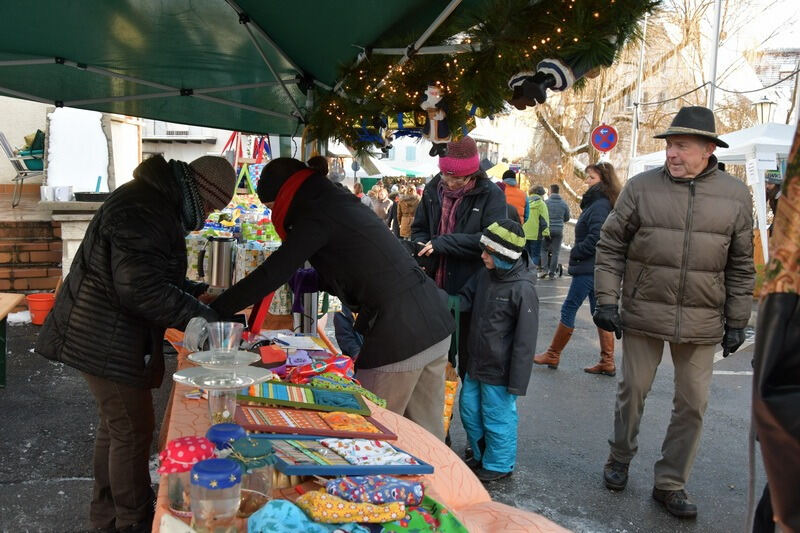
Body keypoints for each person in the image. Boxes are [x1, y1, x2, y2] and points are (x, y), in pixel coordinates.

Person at [35, 155, 236, 533]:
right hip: (104, 336)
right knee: (132, 429)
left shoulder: (152, 200)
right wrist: (202, 317)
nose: (207, 218)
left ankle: (106, 517)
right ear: (200, 191)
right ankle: (132, 521)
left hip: (106, 332)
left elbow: (148, 274)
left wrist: (199, 294)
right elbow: (140, 289)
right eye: (211, 207)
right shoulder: (146, 209)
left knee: (117, 428)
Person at [210, 158, 455, 440]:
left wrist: (213, 310)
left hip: (400, 333)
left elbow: (271, 273)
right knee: (425, 436)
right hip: (433, 323)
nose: (271, 215)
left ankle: (373, 485)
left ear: (283, 195)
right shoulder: (335, 201)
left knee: (364, 430)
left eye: (270, 207)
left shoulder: (315, 212)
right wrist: (319, 279)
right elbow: (354, 261)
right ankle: (431, 483)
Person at [594, 106, 754, 518]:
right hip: (645, 310)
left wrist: (738, 320)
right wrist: (607, 300)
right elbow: (610, 246)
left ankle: (670, 483)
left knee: (693, 404)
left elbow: (740, 263)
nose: (672, 154)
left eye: (682, 146)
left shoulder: (735, 195)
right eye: (669, 146)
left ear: (707, 149)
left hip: (702, 319)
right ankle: (620, 457)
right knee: (632, 393)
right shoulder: (641, 187)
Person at [412, 136, 507, 381]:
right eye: (446, 175)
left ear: (472, 174)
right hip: (433, 288)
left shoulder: (491, 195)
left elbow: (490, 239)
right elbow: (419, 226)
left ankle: (465, 412)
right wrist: (422, 245)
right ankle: (437, 416)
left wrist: (443, 243)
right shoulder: (434, 188)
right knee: (431, 364)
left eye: (457, 178)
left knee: (468, 362)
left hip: (470, 291)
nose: (450, 182)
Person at [457, 220, 538, 482]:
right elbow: (464, 300)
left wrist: (517, 383)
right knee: (469, 409)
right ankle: (481, 454)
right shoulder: (485, 275)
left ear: (503, 255)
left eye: (488, 252)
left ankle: (499, 463)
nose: (482, 256)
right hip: (476, 363)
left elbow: (526, 342)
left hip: (499, 371)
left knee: (497, 417)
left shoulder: (523, 289)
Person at [533, 162, 620, 375]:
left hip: (589, 266)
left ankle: (553, 353)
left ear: (603, 181)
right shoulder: (600, 202)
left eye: (591, 178)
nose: (586, 182)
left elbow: (597, 236)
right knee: (597, 311)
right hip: (594, 266)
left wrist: (577, 251)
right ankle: (607, 361)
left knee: (569, 307)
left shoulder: (599, 204)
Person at [540, 183, 570, 279]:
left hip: (547, 230)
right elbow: (567, 218)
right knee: (556, 252)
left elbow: (541, 216)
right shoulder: (564, 204)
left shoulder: (546, 203)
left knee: (544, 249)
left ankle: (544, 270)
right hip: (558, 231)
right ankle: (552, 273)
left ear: (550, 191)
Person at [523, 185, 549, 268]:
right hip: (536, 234)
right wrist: (546, 233)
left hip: (524, 233)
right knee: (535, 255)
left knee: (526, 255)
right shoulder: (541, 204)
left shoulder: (525, 201)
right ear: (540, 194)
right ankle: (532, 273)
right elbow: (544, 220)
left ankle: (526, 272)